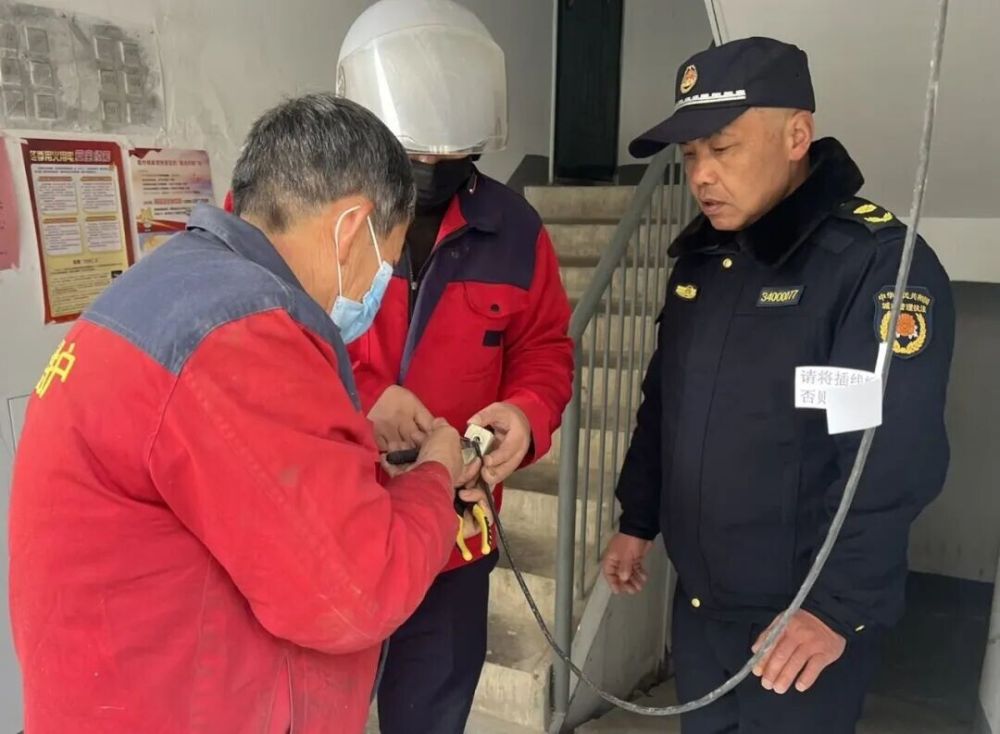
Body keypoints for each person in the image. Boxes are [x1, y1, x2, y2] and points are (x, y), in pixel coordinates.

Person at [8, 93, 481, 734]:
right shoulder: (244, 333)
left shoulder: (178, 287)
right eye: (387, 262)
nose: (380, 285)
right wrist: (436, 474)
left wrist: (349, 450)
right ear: (351, 229)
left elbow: (221, 475)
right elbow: (355, 595)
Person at [602, 37, 954, 733]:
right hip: (702, 612)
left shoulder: (873, 264)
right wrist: (636, 520)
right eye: (690, 156)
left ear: (796, 137)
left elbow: (889, 456)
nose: (701, 175)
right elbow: (666, 404)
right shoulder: (704, 261)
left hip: (803, 623)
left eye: (722, 148)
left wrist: (836, 607)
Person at [337, 2, 575, 731]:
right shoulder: (309, 212)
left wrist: (525, 416)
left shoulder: (514, 230)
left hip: (453, 531)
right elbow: (258, 349)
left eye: (451, 155)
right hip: (331, 522)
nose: (433, 171)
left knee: (431, 713)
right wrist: (362, 398)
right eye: (416, 154)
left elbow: (545, 348)